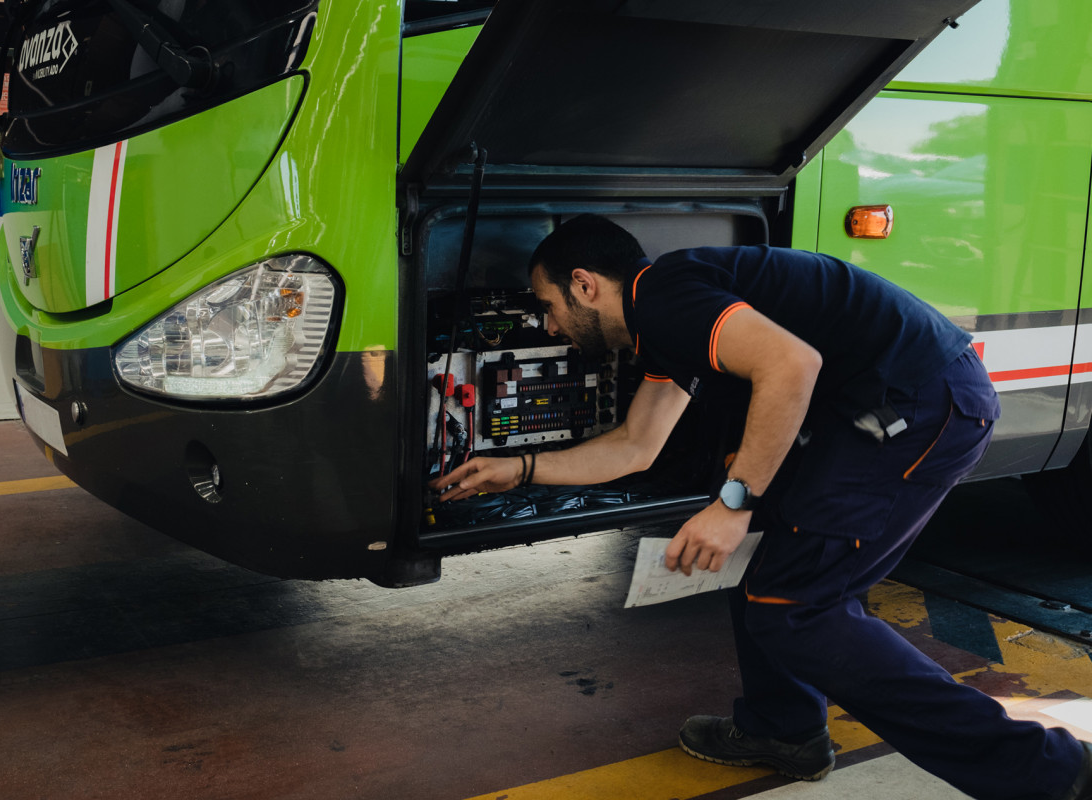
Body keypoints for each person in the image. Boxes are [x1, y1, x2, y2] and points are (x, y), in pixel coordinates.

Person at [429, 214, 1092, 799]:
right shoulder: (661, 317)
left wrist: (732, 503)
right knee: (767, 571)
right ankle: (785, 732)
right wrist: (517, 469)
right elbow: (636, 445)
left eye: (547, 305)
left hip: (922, 408)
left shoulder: (665, 296)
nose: (549, 326)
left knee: (797, 607)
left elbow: (791, 366)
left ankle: (1050, 773)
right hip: (893, 406)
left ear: (584, 283)